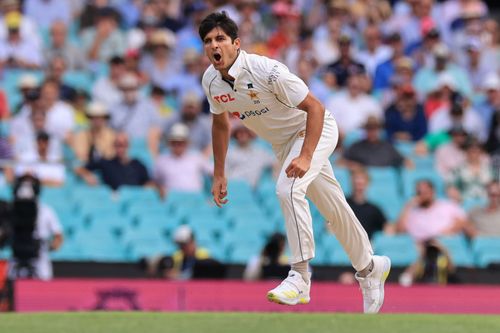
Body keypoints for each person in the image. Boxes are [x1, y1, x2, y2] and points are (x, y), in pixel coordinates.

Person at [199, 12, 390, 313]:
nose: (214, 46)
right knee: (334, 210)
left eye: (220, 38)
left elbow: (315, 107)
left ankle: (300, 276)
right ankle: (370, 268)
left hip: (315, 129)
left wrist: (305, 155)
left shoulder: (266, 70)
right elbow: (220, 125)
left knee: (287, 189)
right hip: (285, 144)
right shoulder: (211, 81)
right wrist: (219, 173)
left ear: (236, 43)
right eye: (208, 41)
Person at [8, 174, 63, 280]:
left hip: (39, 256)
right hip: (17, 255)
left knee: (42, 289)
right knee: (12, 287)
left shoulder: (46, 211)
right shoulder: (11, 210)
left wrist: (52, 246)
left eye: (29, 186)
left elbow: (58, 234)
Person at [393, 180, 467, 242]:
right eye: (419, 193)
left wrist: (444, 233)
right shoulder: (413, 212)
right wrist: (407, 207)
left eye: (425, 192)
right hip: (423, 247)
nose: (422, 195)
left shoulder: (447, 205)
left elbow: (462, 222)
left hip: (446, 243)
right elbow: (400, 231)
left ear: (432, 191)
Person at [75, 132, 153, 190]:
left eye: (123, 145)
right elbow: (79, 168)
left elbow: (147, 182)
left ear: (128, 146)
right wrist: (87, 175)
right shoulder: (106, 163)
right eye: (117, 145)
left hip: (135, 200)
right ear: (114, 146)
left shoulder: (138, 165)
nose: (120, 149)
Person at [153, 123, 212, 198]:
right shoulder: (161, 160)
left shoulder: (196, 157)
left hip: (195, 199)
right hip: (172, 200)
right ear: (169, 143)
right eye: (175, 142)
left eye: (181, 142)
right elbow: (155, 182)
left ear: (187, 143)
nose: (178, 145)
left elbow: (214, 173)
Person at [226, 123, 276, 188]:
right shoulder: (230, 153)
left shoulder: (260, 151)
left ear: (249, 134)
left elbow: (274, 163)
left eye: (245, 132)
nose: (242, 135)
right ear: (236, 135)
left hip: (254, 189)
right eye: (239, 132)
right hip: (235, 187)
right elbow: (224, 172)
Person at [346, 168, 387, 239]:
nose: (358, 184)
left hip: (367, 246)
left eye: (361, 182)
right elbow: (330, 226)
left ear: (367, 184)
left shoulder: (374, 209)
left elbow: (387, 228)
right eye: (356, 181)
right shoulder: (343, 204)